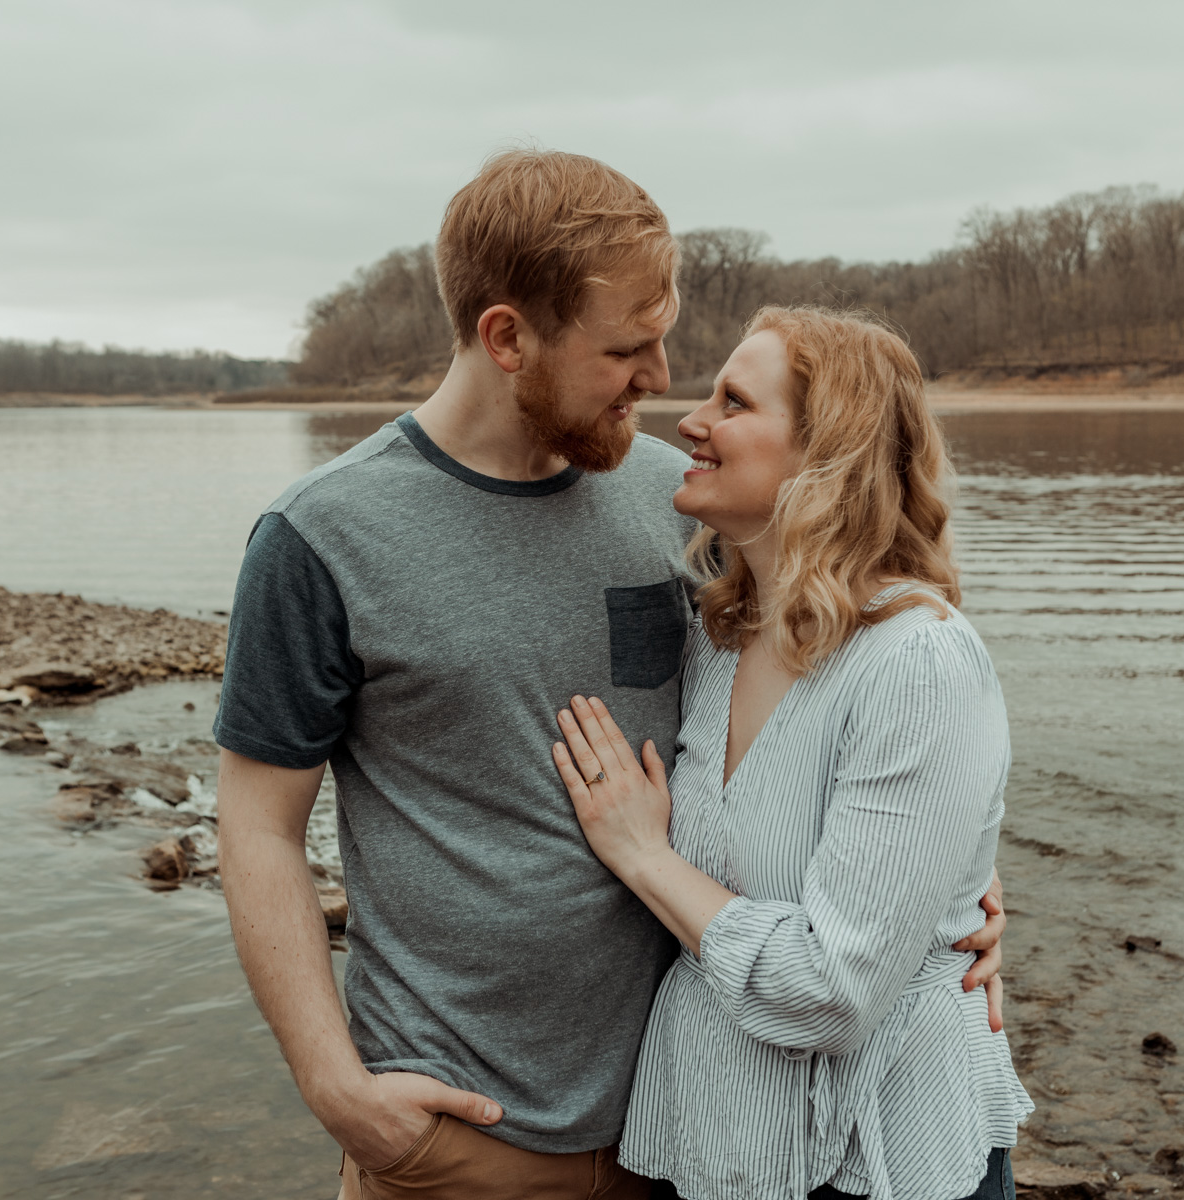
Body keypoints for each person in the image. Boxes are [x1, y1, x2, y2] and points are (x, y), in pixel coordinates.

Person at [212, 151, 1008, 1200]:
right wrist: (333, 1083)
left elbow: (852, 708)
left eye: (665, 338)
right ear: (507, 338)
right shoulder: (320, 539)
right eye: (626, 348)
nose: (661, 378)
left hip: (682, 1131)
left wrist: (957, 893)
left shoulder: (682, 501)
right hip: (463, 1134)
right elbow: (257, 827)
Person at [550, 306, 1032, 1200]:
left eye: (733, 401)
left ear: (826, 455)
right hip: (713, 1150)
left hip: (878, 1163)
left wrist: (645, 856)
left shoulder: (916, 659)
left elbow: (836, 990)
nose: (690, 420)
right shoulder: (716, 638)